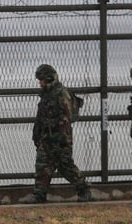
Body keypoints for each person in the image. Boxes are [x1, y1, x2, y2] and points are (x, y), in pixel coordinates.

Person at [25, 64, 92, 203]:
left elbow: (66, 118)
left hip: (60, 138)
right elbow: (41, 116)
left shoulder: (61, 93)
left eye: (42, 79)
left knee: (65, 166)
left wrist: (58, 134)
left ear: (49, 78)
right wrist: (37, 133)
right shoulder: (46, 94)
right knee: (42, 166)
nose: (40, 82)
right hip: (47, 138)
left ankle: (83, 188)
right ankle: (39, 195)